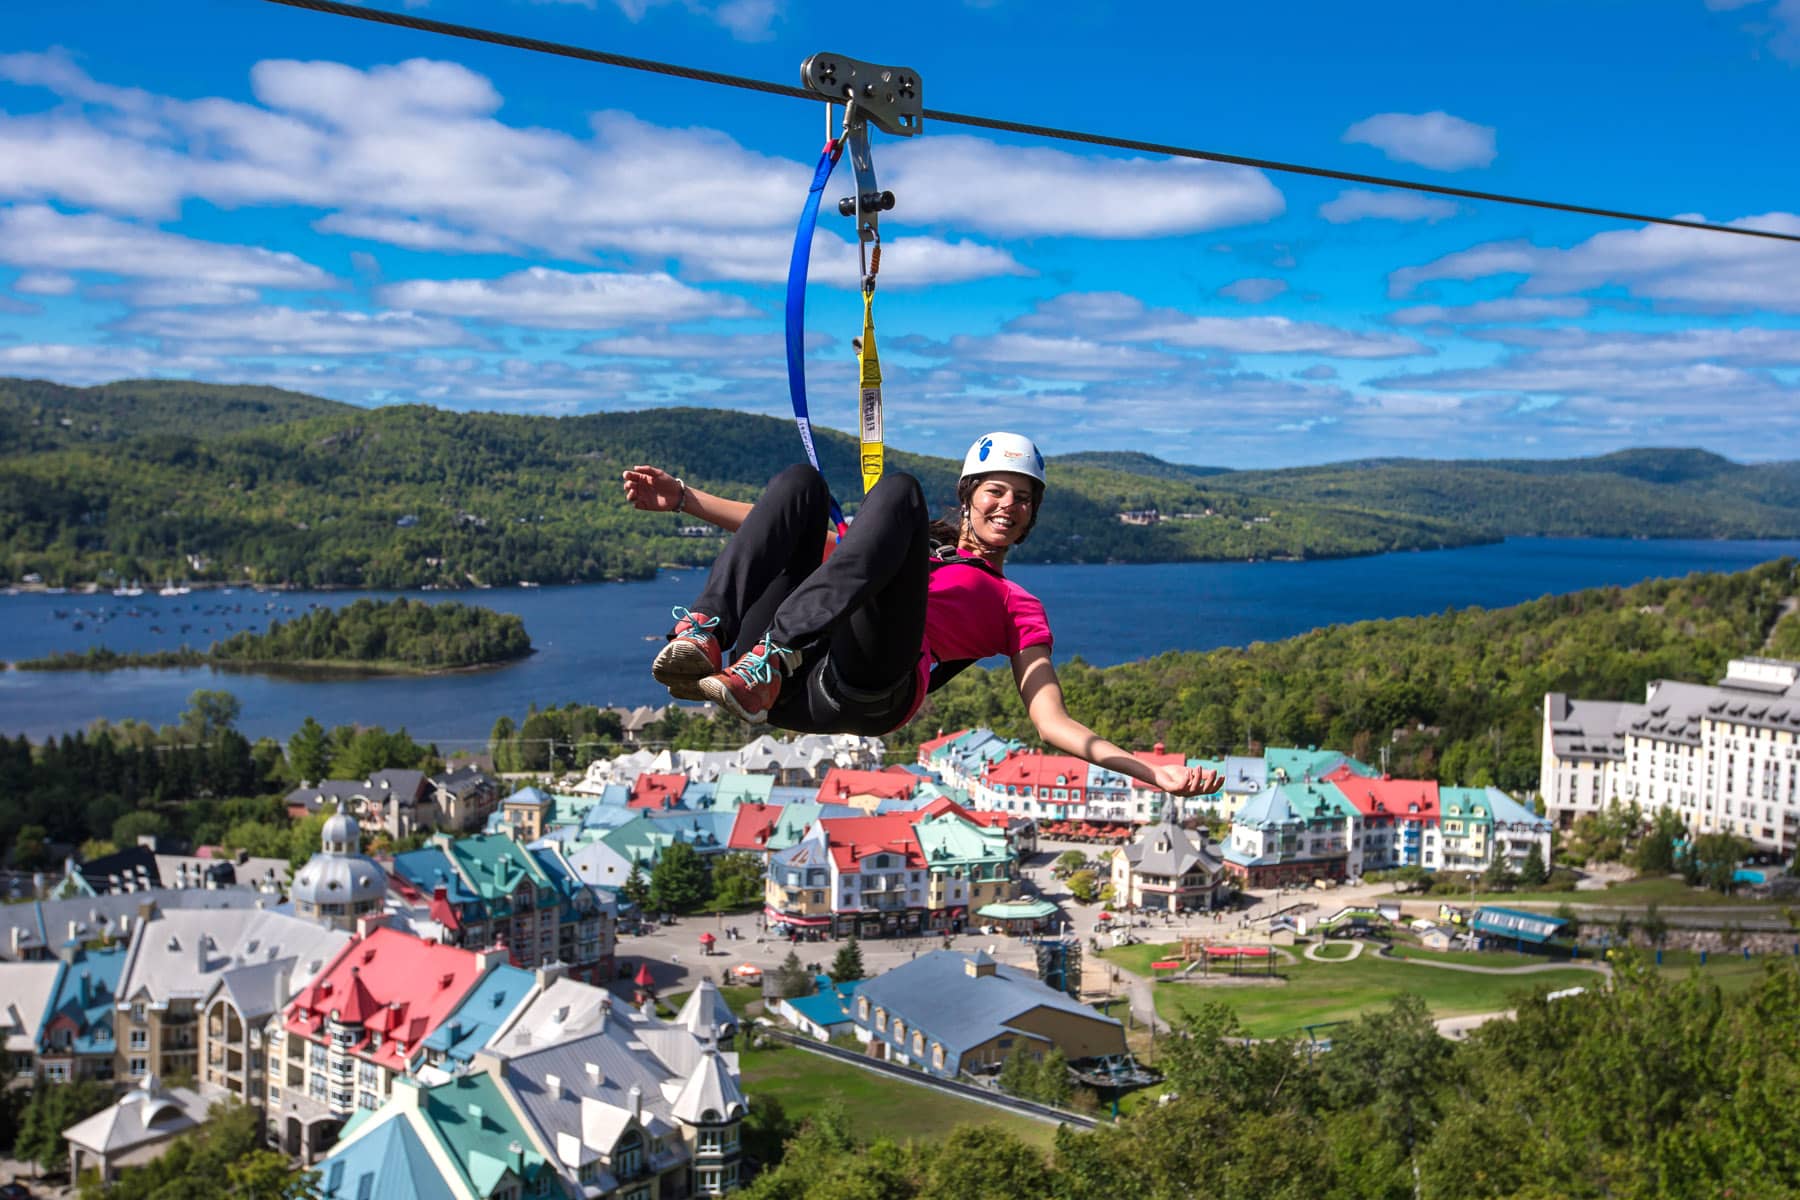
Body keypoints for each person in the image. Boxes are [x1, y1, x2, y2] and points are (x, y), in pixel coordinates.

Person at [621, 433, 1221, 800]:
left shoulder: (1018, 606)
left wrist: (1149, 772)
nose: (1008, 506)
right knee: (802, 484)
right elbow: (776, 525)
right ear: (968, 496)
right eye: (996, 491)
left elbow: (1053, 723)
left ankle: (768, 657)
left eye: (1023, 499)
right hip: (784, 679)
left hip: (865, 685)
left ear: (1032, 517)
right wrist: (681, 498)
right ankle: (705, 635)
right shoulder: (907, 549)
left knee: (899, 491)